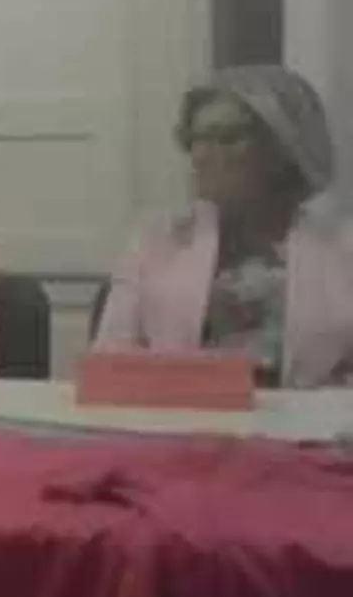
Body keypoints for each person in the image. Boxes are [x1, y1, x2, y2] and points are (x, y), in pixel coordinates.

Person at [94, 65, 353, 388]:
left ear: (285, 147)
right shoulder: (156, 242)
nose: (200, 155)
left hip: (311, 418)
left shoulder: (342, 248)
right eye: (194, 139)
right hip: (182, 414)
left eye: (226, 138)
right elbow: (108, 366)